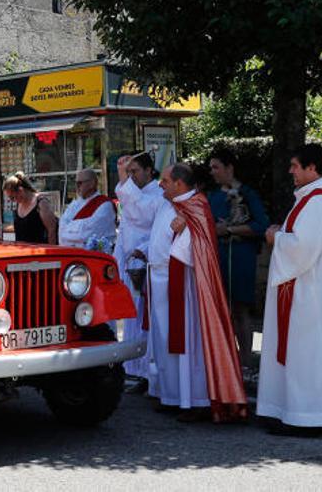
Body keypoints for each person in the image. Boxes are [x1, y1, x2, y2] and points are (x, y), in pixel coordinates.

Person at [257, 144, 322, 433]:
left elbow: (303, 248)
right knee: (321, 352)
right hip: (320, 288)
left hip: (309, 292)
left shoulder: (317, 202)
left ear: (312, 168)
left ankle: (307, 417)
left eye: (294, 165)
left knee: (307, 352)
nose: (290, 170)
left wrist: (276, 237)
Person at [150, 164, 247, 423]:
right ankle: (172, 396)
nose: (161, 185)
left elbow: (196, 249)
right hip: (162, 280)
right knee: (165, 341)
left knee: (189, 344)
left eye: (165, 180)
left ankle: (196, 400)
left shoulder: (196, 206)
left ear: (180, 184)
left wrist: (182, 231)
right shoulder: (168, 203)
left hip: (188, 287)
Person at [206, 149, 270, 371]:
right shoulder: (212, 196)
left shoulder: (248, 194)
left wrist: (231, 229)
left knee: (241, 308)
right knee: (221, 309)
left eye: (216, 167)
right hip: (218, 256)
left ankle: (246, 362)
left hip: (242, 255)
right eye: (211, 167)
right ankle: (224, 362)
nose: (212, 171)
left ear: (229, 168)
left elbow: (262, 225)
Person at [113, 153, 163, 390]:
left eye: (135, 172)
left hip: (146, 261)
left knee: (144, 318)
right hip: (129, 261)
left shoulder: (158, 194)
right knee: (131, 318)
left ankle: (145, 370)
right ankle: (134, 369)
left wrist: (124, 183)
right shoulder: (138, 194)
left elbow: (141, 216)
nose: (131, 177)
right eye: (129, 172)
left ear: (149, 171)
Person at [58, 168, 116, 249]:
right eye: (75, 183)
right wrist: (80, 226)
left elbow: (87, 234)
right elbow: (61, 230)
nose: (77, 186)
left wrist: (70, 227)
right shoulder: (75, 203)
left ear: (92, 183)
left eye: (80, 183)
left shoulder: (105, 205)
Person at [2, 172, 57, 244]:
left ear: (20, 190)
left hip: (39, 252)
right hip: (23, 252)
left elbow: (52, 230)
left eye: (12, 197)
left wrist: (51, 253)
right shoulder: (19, 204)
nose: (13, 201)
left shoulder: (41, 203)